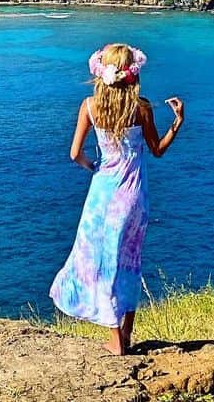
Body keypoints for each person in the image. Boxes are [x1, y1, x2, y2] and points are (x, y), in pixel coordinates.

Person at [49, 42, 184, 355]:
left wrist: (94, 168)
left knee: (100, 261)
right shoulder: (143, 108)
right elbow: (158, 150)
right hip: (134, 196)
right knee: (129, 262)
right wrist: (177, 121)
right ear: (132, 73)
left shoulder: (90, 106)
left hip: (102, 194)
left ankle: (114, 343)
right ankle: (126, 336)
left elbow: (75, 155)